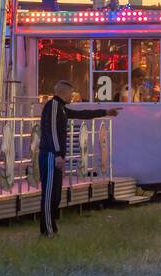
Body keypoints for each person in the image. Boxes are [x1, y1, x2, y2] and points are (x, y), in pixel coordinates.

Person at [37, 79, 120, 235]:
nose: (72, 96)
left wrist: (105, 112)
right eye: (71, 93)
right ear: (64, 92)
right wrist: (57, 154)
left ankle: (52, 228)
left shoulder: (62, 108)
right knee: (49, 194)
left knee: (55, 194)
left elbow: (81, 114)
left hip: (55, 156)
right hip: (50, 155)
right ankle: (47, 231)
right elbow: (52, 132)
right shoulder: (53, 106)